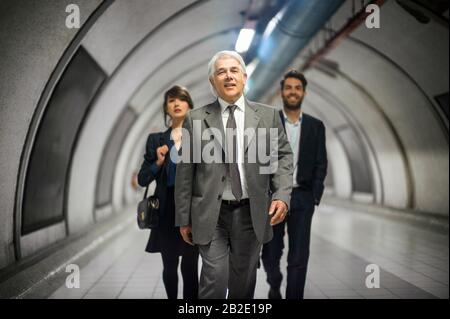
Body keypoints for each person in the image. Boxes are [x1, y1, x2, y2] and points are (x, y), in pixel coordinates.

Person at [174, 50, 293, 299]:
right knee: (215, 279)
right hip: (210, 214)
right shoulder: (195, 119)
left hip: (251, 212)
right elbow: (185, 172)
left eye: (234, 70)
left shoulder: (268, 116)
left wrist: (282, 195)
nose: (228, 76)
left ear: (244, 77)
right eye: (221, 72)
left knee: (243, 282)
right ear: (212, 82)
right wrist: (183, 218)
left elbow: (283, 157)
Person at [261, 70, 328, 299]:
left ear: (304, 93)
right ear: (282, 92)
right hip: (273, 198)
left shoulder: (315, 126)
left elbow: (321, 162)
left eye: (297, 88)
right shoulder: (269, 122)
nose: (293, 91)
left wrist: (314, 196)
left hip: (302, 197)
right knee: (270, 252)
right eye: (288, 87)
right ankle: (275, 282)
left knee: (299, 255)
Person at [137, 85, 199, 299]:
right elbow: (142, 178)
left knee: (190, 266)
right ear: (166, 109)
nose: (176, 103)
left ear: (189, 106)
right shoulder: (155, 140)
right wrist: (158, 162)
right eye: (171, 100)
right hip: (165, 210)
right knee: (170, 265)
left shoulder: (201, 138)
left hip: (192, 210)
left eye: (181, 99)